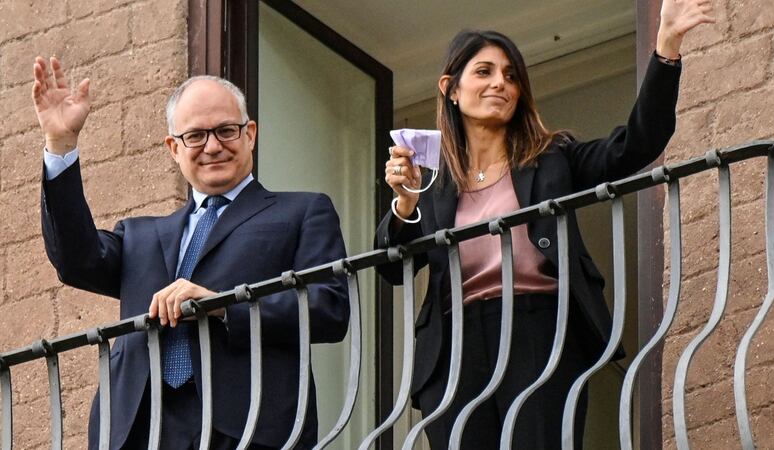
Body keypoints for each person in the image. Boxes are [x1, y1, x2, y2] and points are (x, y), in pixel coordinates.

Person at [375, 1, 713, 448]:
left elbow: (636, 144)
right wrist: (404, 203)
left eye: (511, 76)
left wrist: (666, 47)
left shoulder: (552, 158)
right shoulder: (436, 189)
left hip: (538, 329)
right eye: (484, 72)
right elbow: (389, 266)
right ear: (450, 88)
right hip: (454, 348)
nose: (500, 83)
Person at [33, 57, 349, 449]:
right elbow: (75, 260)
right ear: (173, 147)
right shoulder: (140, 235)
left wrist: (222, 304)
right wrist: (61, 146)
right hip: (138, 427)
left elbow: (330, 309)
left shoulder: (301, 211)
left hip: (245, 426)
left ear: (250, 134)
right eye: (196, 136)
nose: (213, 146)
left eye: (226, 131)